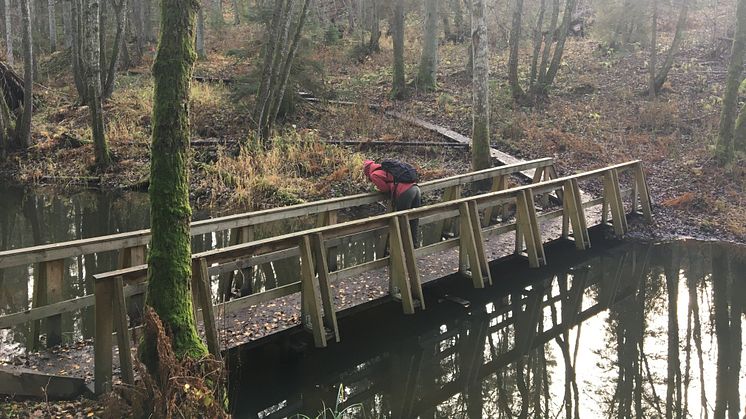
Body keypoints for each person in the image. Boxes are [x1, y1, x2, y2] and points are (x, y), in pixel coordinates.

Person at [363, 159, 422, 246]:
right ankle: (414, 246)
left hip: (405, 192)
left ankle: (404, 249)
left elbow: (385, 189)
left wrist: (377, 188)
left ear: (367, 171)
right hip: (416, 189)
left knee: (402, 221)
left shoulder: (374, 174)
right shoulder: (386, 169)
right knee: (414, 219)